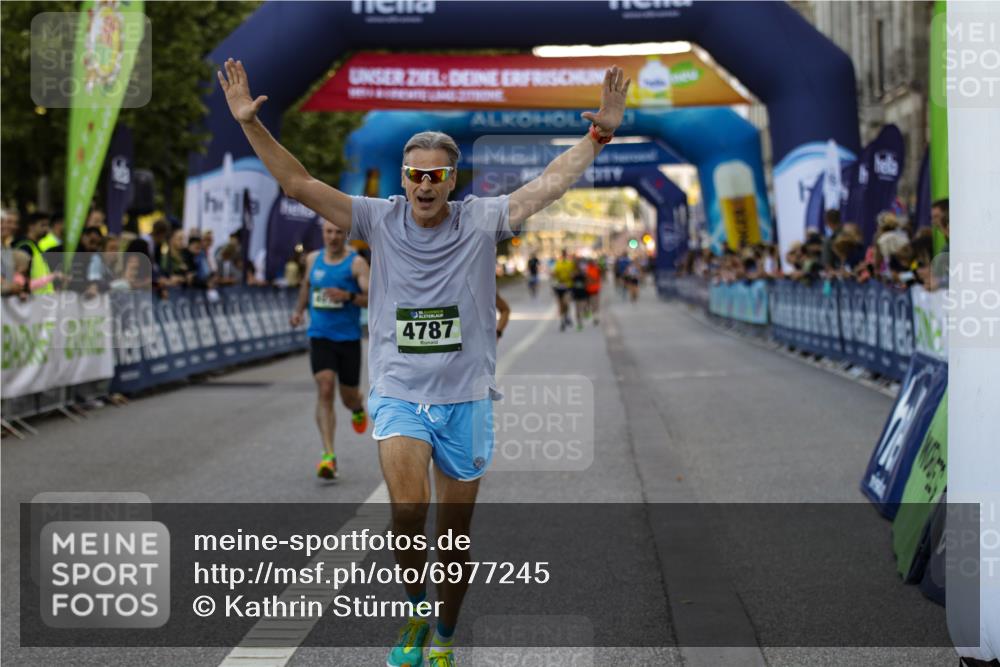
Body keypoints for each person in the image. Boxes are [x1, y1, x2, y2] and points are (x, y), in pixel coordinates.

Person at [219, 57, 629, 667]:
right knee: (408, 516)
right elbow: (301, 184)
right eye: (415, 175)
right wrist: (252, 125)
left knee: (453, 538)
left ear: (453, 179)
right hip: (399, 392)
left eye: (436, 176)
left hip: (465, 397)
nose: (425, 186)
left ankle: (443, 635)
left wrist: (598, 134)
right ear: (405, 179)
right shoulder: (375, 218)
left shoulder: (482, 220)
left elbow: (548, 185)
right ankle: (416, 607)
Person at [289, 219, 371, 480]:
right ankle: (328, 456)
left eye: (338, 232)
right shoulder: (313, 259)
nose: (333, 237)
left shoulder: (356, 263)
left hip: (347, 338)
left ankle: (357, 407)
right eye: (328, 232)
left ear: (345, 235)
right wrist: (299, 311)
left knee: (348, 397)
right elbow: (306, 286)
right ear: (322, 233)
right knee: (325, 387)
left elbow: (372, 297)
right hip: (320, 335)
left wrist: (348, 296)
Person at [13, 212, 58, 295]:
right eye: (43, 225)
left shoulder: (35, 246)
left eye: (47, 225)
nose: (46, 229)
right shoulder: (25, 246)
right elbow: (20, 275)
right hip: (31, 299)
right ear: (31, 226)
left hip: (40, 298)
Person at [551, 249, 576, 332]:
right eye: (563, 254)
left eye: (565, 254)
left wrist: (572, 276)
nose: (564, 256)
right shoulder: (558, 263)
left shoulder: (570, 263)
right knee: (561, 305)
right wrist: (554, 274)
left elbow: (574, 273)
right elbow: (554, 274)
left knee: (566, 302)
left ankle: (567, 316)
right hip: (559, 286)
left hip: (568, 286)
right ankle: (562, 321)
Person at [585, 258, 602, 325]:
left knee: (595, 304)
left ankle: (595, 317)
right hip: (588, 289)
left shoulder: (596, 269)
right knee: (589, 304)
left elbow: (598, 278)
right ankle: (592, 315)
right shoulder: (586, 269)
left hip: (595, 289)